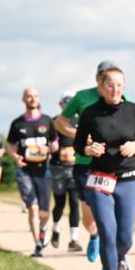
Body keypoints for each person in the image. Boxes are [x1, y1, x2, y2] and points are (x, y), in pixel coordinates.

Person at [73, 64, 135, 270]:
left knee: (124, 237)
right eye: (110, 84)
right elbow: (78, 145)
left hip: (128, 178)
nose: (115, 89)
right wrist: (89, 149)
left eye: (119, 85)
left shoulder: (133, 110)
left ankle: (120, 257)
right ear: (101, 86)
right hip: (100, 179)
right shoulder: (90, 113)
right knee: (107, 231)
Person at [57, 62, 135, 269]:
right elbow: (60, 122)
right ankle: (94, 236)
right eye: (103, 76)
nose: (109, 83)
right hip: (86, 164)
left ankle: (112, 261)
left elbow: (132, 128)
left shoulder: (123, 98)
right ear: (97, 78)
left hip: (113, 166)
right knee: (89, 216)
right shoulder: (82, 97)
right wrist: (82, 136)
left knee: (111, 218)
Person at [7, 88, 58, 258]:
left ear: (38, 98)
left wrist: (48, 148)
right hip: (24, 171)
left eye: (35, 96)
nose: (32, 99)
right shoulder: (17, 123)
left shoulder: (47, 121)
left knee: (44, 213)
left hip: (43, 171)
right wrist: (15, 157)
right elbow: (10, 145)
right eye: (29, 96)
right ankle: (37, 244)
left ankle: (43, 228)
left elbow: (55, 144)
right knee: (33, 208)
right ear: (23, 99)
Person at [50, 94, 83, 251]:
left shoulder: (81, 121)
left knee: (75, 202)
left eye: (71, 102)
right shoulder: (54, 121)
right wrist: (57, 151)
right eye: (66, 102)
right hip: (58, 167)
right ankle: (56, 229)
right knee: (60, 203)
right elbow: (49, 143)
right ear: (60, 104)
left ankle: (73, 240)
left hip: (75, 167)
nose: (68, 105)